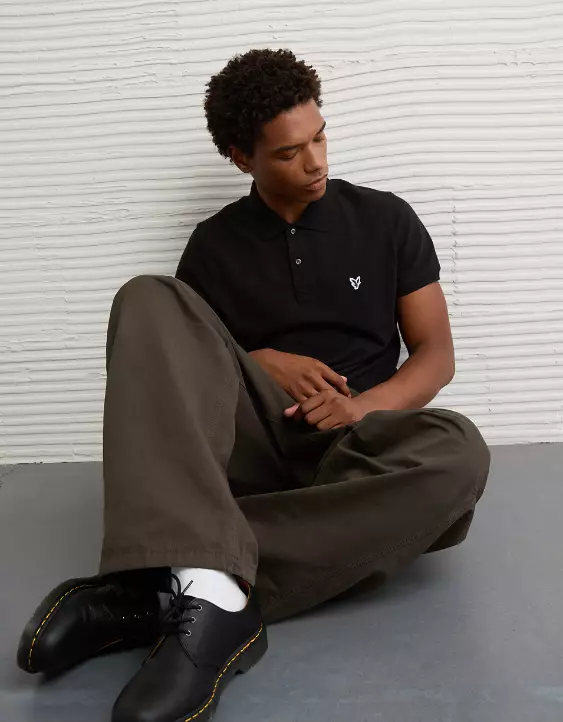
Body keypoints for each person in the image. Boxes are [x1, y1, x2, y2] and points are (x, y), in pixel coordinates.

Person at [16, 49, 490, 722]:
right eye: (289, 153)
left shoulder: (385, 219)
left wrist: (358, 408)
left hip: (361, 449)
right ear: (242, 158)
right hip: (256, 447)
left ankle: (171, 582)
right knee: (149, 296)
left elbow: (435, 356)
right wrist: (259, 359)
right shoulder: (214, 245)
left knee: (458, 451)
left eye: (320, 137)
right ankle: (208, 584)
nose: (315, 162)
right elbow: (187, 366)